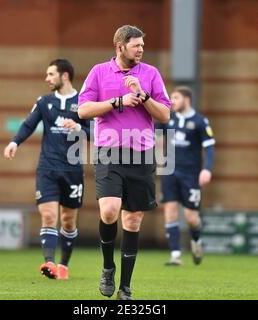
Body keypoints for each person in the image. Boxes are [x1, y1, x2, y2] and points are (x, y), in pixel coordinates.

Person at [78, 25, 171, 300]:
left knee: (132, 219)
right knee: (109, 211)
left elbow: (164, 114)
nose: (141, 49)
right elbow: (83, 109)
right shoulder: (98, 72)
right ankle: (108, 267)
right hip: (109, 152)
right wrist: (117, 101)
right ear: (119, 47)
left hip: (142, 154)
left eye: (142, 45)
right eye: (135, 45)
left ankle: (125, 287)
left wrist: (143, 96)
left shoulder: (151, 74)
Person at [4, 59, 90, 281]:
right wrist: (15, 142)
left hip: (72, 170)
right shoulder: (44, 102)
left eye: (51, 74)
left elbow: (97, 132)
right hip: (47, 168)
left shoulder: (83, 101)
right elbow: (28, 124)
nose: (47, 78)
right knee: (49, 215)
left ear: (64, 76)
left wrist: (79, 127)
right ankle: (49, 262)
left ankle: (63, 265)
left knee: (68, 220)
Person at [158, 86, 215, 266]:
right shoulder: (168, 118)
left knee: (191, 217)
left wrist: (207, 169)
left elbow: (209, 147)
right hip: (170, 172)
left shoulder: (200, 121)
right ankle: (175, 255)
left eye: (175, 98)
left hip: (190, 175)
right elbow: (154, 133)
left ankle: (196, 242)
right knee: (170, 212)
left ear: (187, 99)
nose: (172, 101)